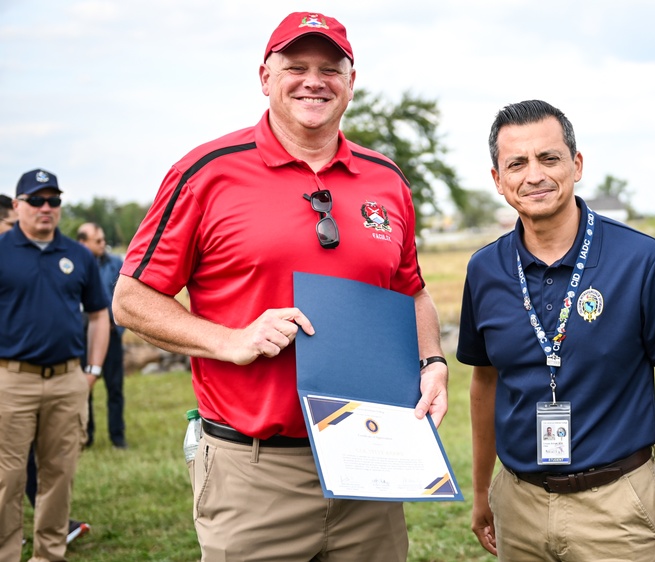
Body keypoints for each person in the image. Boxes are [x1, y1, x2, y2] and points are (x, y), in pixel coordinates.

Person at [112, 11, 448, 562]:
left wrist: (431, 360)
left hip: (372, 458)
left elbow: (411, 290)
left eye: (330, 68)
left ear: (351, 82)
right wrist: (229, 339)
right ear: (265, 78)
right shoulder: (206, 172)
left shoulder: (386, 178)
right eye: (295, 66)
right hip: (255, 471)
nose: (313, 80)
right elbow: (131, 298)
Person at [458, 100, 655, 562]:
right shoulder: (484, 270)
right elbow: (485, 384)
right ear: (498, 180)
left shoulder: (642, 260)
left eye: (548, 158)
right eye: (517, 163)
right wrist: (481, 494)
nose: (534, 175)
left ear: (576, 165)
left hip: (615, 504)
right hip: (519, 501)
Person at [0, 168, 108, 560]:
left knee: (58, 475)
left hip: (67, 380)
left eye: (54, 201)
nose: (46, 208)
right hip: (11, 381)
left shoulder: (78, 255)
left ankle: (48, 554)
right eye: (36, 200)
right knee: (8, 478)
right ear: (17, 206)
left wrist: (92, 372)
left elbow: (99, 314)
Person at [77, 222, 128, 449]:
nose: (103, 244)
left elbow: (127, 299)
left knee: (115, 388)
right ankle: (86, 436)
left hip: (112, 337)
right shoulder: (73, 265)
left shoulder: (116, 264)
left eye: (103, 239)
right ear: (83, 242)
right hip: (81, 339)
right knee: (83, 387)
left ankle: (118, 437)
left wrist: (116, 327)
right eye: (97, 241)